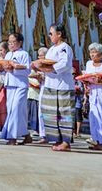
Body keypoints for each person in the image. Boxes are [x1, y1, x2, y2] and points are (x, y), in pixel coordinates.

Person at [33, 23, 74, 152]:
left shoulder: (65, 48)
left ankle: (66, 141)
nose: (49, 36)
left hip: (63, 86)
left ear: (59, 34)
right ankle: (56, 139)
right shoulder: (51, 49)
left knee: (64, 114)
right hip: (50, 85)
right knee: (50, 113)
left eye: (51, 33)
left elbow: (64, 64)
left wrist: (47, 68)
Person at [1, 32, 31, 145]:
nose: (11, 45)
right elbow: (4, 69)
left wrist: (14, 69)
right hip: (10, 85)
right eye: (9, 42)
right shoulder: (8, 55)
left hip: (21, 85)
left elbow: (28, 70)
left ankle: (12, 137)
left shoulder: (24, 54)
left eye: (13, 42)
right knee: (17, 111)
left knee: (15, 109)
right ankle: (26, 134)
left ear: (20, 42)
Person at [27, 46, 48, 143]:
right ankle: (43, 135)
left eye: (41, 56)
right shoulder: (37, 66)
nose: (39, 58)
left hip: (50, 90)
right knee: (40, 113)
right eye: (39, 56)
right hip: (41, 90)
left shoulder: (49, 65)